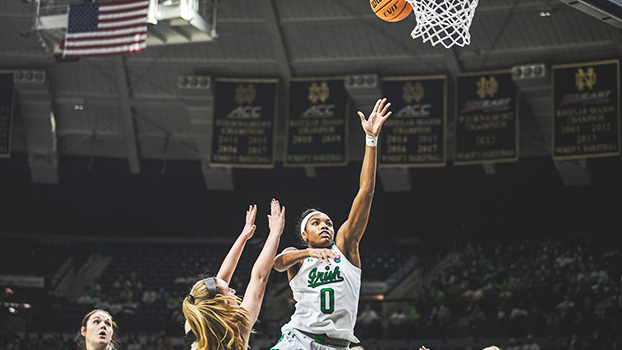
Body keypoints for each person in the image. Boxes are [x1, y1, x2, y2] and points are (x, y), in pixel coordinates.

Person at [271, 98, 392, 350]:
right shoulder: (298, 256)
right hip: (299, 340)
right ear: (305, 234)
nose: (325, 225)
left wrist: (371, 140)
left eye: (328, 222)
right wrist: (308, 252)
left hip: (338, 346)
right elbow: (277, 263)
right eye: (316, 223)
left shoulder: (345, 249)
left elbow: (366, 192)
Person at [182, 199, 286, 350]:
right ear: (220, 301)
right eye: (228, 290)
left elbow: (220, 282)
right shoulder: (238, 326)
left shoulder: (193, 324)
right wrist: (275, 233)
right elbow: (260, 277)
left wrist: (243, 237)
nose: (233, 291)